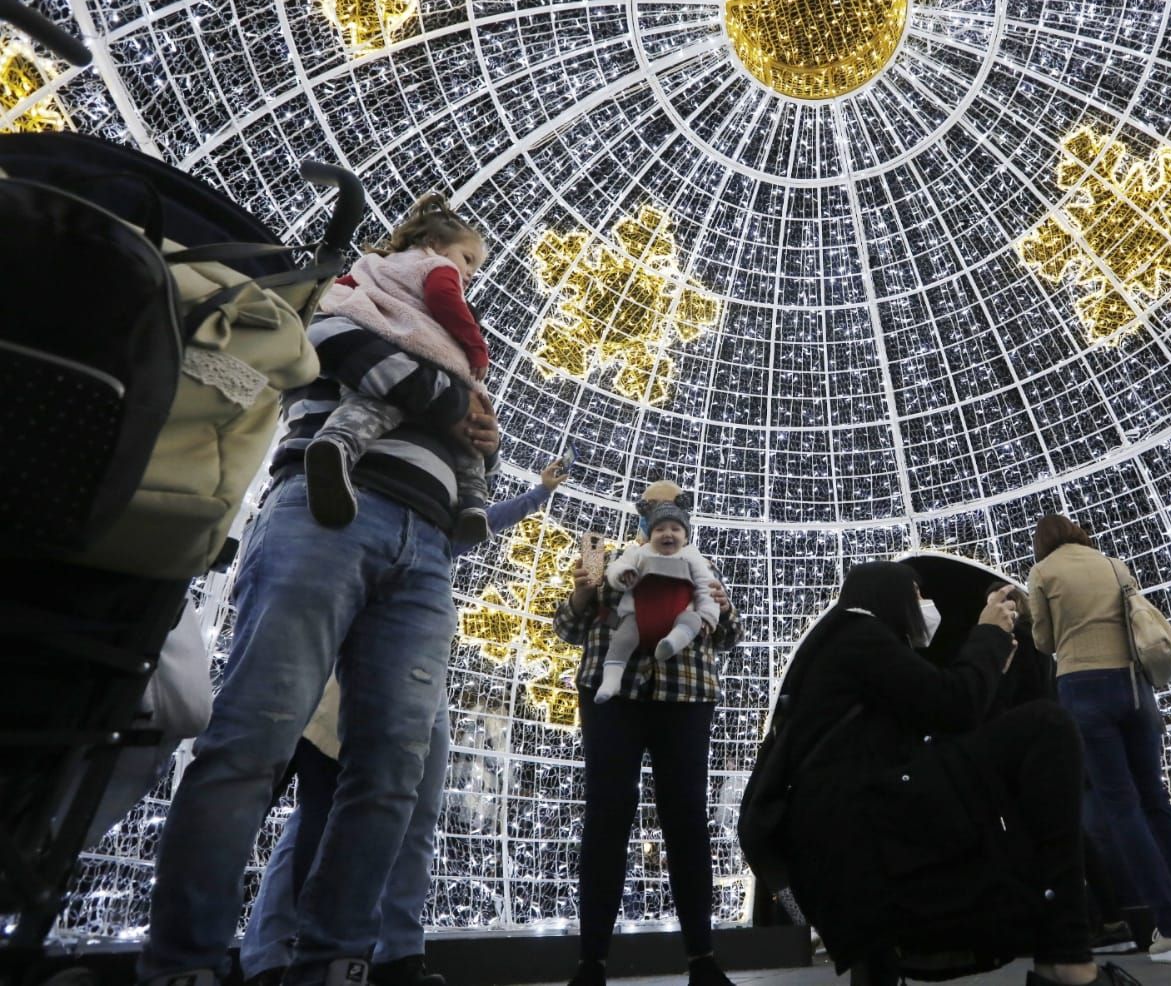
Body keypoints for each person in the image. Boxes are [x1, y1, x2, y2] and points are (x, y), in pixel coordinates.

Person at [136, 294, 502, 986]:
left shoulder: (458, 369)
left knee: (394, 768)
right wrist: (451, 401)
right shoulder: (355, 298)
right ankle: (184, 964)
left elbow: (473, 464)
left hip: (427, 546)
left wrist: (476, 436)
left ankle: (337, 959)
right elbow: (338, 346)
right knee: (251, 741)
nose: (464, 281)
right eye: (458, 264)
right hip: (323, 512)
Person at [240, 464, 569, 986]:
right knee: (319, 812)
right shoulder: (364, 498)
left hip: (423, 669)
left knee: (414, 814)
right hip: (349, 668)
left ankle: (399, 953)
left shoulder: (437, 527)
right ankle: (270, 954)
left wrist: (540, 493)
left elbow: (484, 521)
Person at [778, 561, 1137, 986]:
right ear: (888, 597)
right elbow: (954, 704)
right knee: (1049, 727)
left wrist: (989, 663)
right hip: (868, 819)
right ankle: (1066, 958)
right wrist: (988, 632)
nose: (925, 606)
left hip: (851, 820)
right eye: (916, 596)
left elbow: (943, 715)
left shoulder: (839, 649)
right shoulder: (860, 635)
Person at [553, 479, 743, 986]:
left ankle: (701, 959)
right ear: (643, 519)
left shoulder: (700, 564)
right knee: (605, 818)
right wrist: (581, 593)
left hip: (685, 699)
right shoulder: (612, 564)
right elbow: (568, 630)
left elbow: (728, 637)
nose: (668, 522)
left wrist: (721, 608)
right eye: (659, 512)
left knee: (686, 820)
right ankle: (590, 962)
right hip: (613, 698)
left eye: (678, 510)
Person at [1028, 514, 1171, 966]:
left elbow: (1044, 641)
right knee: (1157, 802)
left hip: (1084, 690)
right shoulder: (1114, 563)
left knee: (1121, 808)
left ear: (1042, 543)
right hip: (1136, 690)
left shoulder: (1043, 572)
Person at [305, 193, 495, 545]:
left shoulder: (374, 265)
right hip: (380, 502)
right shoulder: (437, 268)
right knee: (412, 413)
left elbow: (336, 294)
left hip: (424, 518)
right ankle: (473, 505)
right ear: (435, 244)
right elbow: (445, 301)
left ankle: (336, 444)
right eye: (467, 259)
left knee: (366, 405)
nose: (468, 273)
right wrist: (474, 347)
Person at [597, 497, 720, 701]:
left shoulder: (693, 556)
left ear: (686, 537)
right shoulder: (637, 553)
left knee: (692, 620)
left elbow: (706, 587)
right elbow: (615, 569)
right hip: (639, 617)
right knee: (622, 640)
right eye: (660, 529)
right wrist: (624, 574)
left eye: (675, 529)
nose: (667, 533)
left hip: (679, 619)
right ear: (648, 534)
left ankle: (672, 642)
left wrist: (708, 616)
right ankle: (610, 681)